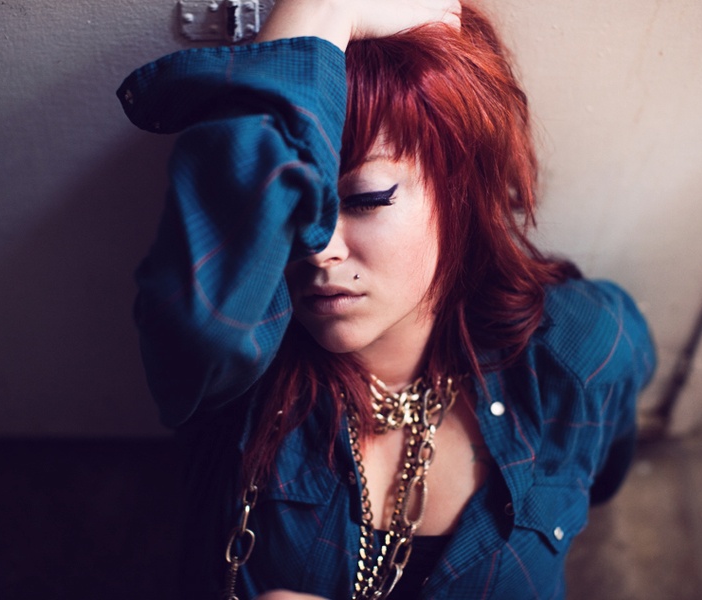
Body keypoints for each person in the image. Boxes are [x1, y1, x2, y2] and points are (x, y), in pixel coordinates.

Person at [117, 1, 656, 598]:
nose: (318, 249)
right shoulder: (244, 374)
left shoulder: (582, 348)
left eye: (366, 199)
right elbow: (203, 324)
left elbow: (602, 475)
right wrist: (325, 8)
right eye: (295, 206)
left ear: (462, 188)